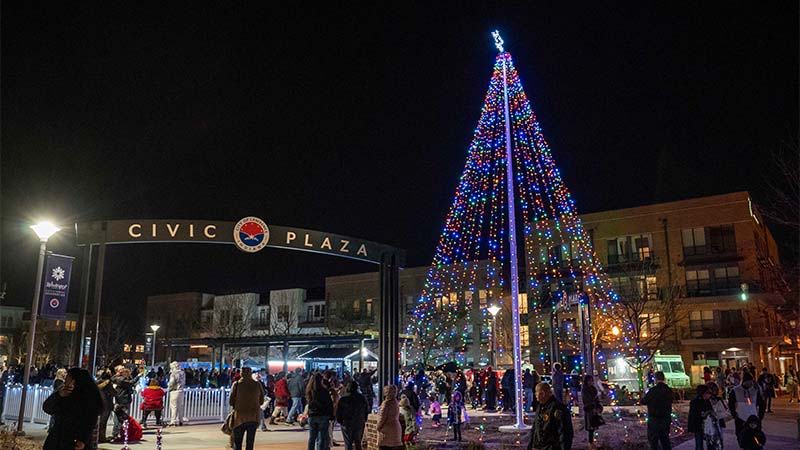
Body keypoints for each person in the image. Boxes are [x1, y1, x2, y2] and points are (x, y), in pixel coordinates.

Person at [42, 368, 103, 450]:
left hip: (74, 440)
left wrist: (83, 439)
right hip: (58, 437)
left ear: (75, 380)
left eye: (67, 378)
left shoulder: (89, 399)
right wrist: (59, 395)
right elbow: (47, 408)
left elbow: (90, 421)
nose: (65, 380)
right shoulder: (64, 393)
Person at [527, 382, 573, 450]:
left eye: (536, 392)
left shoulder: (558, 409)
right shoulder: (540, 407)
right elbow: (535, 429)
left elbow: (565, 433)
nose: (535, 395)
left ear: (543, 393)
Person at [229, 367, 265, 450]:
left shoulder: (237, 384)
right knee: (250, 442)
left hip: (239, 417)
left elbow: (231, 401)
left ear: (242, 374)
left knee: (237, 442)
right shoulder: (257, 384)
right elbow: (262, 401)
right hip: (253, 416)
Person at [729, 371, 765, 444]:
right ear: (745, 381)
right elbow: (731, 404)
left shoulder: (755, 390)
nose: (751, 383)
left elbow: (761, 403)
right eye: (749, 381)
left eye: (752, 381)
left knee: (755, 437)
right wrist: (734, 414)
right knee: (741, 437)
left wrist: (760, 415)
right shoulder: (735, 390)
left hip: (753, 417)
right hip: (740, 418)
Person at [641, 371, 673, 450]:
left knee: (653, 440)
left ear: (655, 379)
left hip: (654, 419)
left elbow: (644, 401)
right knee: (665, 440)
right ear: (664, 378)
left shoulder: (653, 390)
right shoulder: (668, 390)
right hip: (666, 418)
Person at [335, 380, 369, 450]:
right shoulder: (362, 398)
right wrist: (364, 419)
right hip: (359, 422)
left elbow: (339, 412)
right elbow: (366, 410)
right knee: (358, 442)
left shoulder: (343, 399)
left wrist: (340, 421)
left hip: (347, 423)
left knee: (348, 443)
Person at [307, 373, 334, 450]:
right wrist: (331, 415)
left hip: (312, 416)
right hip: (322, 415)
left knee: (312, 438)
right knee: (321, 438)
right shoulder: (324, 391)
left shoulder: (309, 391)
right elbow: (329, 404)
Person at [111, 365, 135, 440]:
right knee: (121, 417)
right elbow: (131, 382)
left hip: (121, 399)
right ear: (118, 371)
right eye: (121, 369)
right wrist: (138, 376)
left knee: (119, 417)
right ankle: (119, 433)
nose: (123, 369)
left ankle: (118, 433)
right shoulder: (120, 379)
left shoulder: (122, 378)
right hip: (123, 400)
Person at [376, 385, 402, 450]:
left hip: (386, 430)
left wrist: (378, 427)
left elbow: (382, 417)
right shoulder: (395, 402)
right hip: (395, 428)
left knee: (384, 447)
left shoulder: (386, 403)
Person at [688, 384, 713, 450]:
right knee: (699, 443)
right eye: (708, 393)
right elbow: (693, 415)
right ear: (703, 393)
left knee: (710, 442)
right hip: (698, 425)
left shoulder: (707, 401)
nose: (709, 395)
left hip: (707, 425)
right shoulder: (695, 402)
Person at [582, 375, 603, 447]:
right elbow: (586, 400)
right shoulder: (585, 389)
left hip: (594, 409)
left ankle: (592, 441)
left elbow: (596, 398)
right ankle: (590, 442)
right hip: (589, 410)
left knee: (593, 425)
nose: (591, 382)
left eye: (592, 381)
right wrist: (592, 406)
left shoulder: (593, 389)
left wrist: (598, 406)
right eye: (590, 381)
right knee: (590, 426)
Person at [96, 369, 116, 443]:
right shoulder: (107, 383)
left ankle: (97, 437)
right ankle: (102, 437)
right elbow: (114, 393)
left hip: (98, 404)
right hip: (106, 404)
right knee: (103, 422)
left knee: (98, 422)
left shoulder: (95, 383)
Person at [167, 361, 185, 426]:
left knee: (173, 407)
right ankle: (181, 420)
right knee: (180, 406)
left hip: (174, 391)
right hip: (181, 391)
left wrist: (169, 388)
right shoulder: (182, 373)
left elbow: (171, 383)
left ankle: (173, 421)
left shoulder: (173, 373)